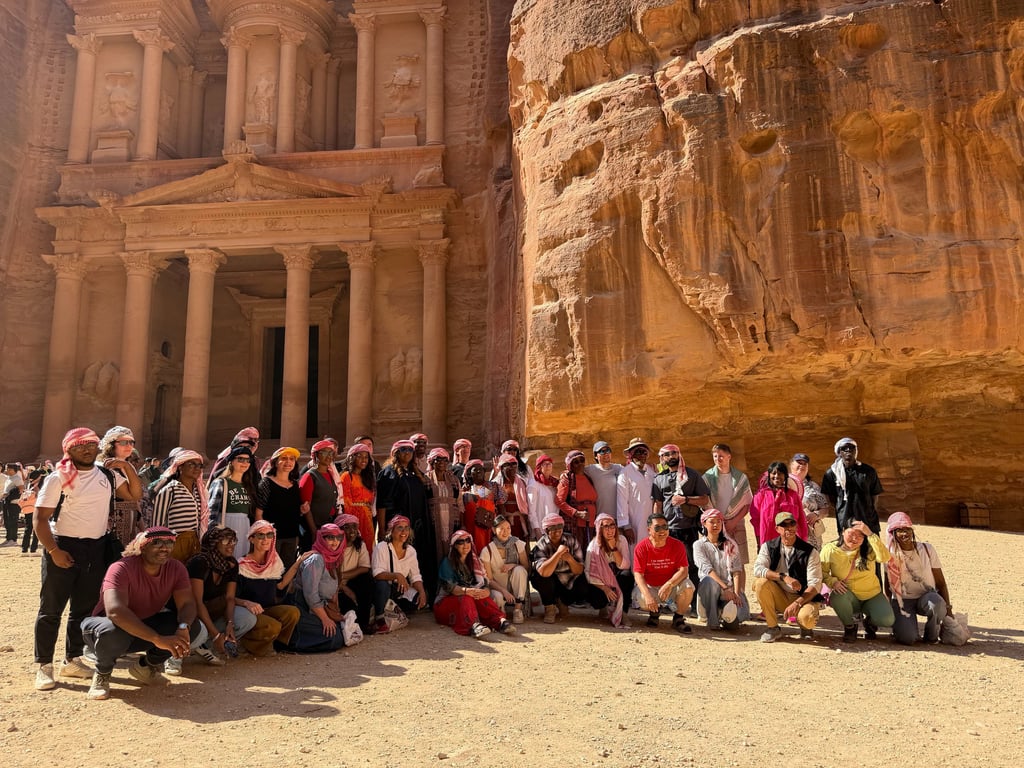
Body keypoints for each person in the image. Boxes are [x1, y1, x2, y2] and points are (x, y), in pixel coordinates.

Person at [32, 428, 140, 691]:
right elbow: (40, 519)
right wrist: (54, 551)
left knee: (82, 609)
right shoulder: (58, 478)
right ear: (68, 450)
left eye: (91, 445)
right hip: (64, 545)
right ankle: (44, 665)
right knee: (51, 610)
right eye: (80, 446)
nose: (87, 450)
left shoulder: (108, 475)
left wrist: (127, 467)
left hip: (96, 547)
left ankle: (72, 658)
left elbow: (135, 495)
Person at [79, 527, 200, 701]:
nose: (164, 548)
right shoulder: (121, 567)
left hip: (142, 625)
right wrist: (157, 639)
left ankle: (145, 667)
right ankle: (102, 674)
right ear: (142, 547)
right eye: (157, 543)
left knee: (192, 626)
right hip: (104, 626)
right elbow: (115, 611)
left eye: (169, 543)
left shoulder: (176, 568)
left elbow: (187, 603)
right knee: (111, 631)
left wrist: (183, 627)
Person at [177, 526, 257, 672]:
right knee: (192, 627)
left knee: (247, 618)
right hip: (191, 613)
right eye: (226, 540)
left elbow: (230, 598)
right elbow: (197, 601)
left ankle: (203, 645)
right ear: (214, 542)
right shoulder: (199, 562)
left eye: (233, 540)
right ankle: (175, 655)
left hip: (213, 611)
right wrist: (216, 635)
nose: (231, 544)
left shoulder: (231, 564)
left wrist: (230, 625)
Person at [652, 444, 710, 614]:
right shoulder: (659, 479)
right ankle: (668, 601)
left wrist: (685, 499)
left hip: (688, 528)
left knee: (691, 565)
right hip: (668, 530)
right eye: (667, 454)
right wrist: (656, 526)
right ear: (662, 458)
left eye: (674, 453)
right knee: (668, 566)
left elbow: (704, 499)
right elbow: (658, 504)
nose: (671, 456)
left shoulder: (691, 475)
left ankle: (694, 604)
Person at [234, 520, 304, 654]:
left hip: (267, 609)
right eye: (260, 535)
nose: (265, 539)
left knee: (292, 612)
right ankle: (249, 646)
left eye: (269, 535)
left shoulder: (274, 562)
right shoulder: (242, 565)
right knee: (273, 626)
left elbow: (281, 585)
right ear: (251, 539)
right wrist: (247, 603)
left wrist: (298, 563)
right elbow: (230, 597)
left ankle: (278, 646)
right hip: (249, 613)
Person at [377, 439, 436, 597]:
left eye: (410, 450)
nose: (407, 453)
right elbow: (382, 503)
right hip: (398, 528)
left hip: (417, 526)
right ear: (396, 453)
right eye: (403, 450)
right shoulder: (389, 473)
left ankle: (416, 594)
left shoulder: (415, 473)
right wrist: (382, 529)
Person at [752, 511, 822, 642]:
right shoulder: (768, 546)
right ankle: (773, 628)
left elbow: (815, 584)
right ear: (777, 529)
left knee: (808, 619)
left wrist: (797, 603)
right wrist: (784, 577)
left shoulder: (810, 551)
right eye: (784, 525)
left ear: (796, 526)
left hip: (803, 598)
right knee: (760, 583)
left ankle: (805, 627)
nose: (789, 528)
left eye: (792, 524)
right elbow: (757, 569)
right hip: (780, 594)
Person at [820, 520, 894, 642]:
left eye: (860, 535)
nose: (855, 538)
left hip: (871, 595)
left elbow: (884, 557)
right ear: (843, 531)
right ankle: (850, 626)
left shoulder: (869, 548)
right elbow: (821, 572)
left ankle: (869, 621)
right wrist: (833, 582)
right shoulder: (830, 550)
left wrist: (870, 534)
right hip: (848, 595)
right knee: (837, 597)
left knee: (887, 620)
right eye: (851, 534)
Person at [884, 512, 951, 645]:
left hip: (926, 597)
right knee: (907, 639)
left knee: (936, 604)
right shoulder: (889, 554)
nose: (905, 534)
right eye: (899, 531)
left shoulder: (927, 549)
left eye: (907, 529)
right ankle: (902, 628)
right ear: (893, 534)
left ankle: (931, 636)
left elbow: (941, 583)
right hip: (903, 601)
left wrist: (948, 611)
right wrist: (893, 610)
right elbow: (888, 585)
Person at [434, 530, 515, 638]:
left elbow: (484, 582)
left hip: (469, 599)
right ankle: (473, 626)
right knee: (466, 597)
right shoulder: (447, 562)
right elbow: (450, 587)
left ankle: (500, 622)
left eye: (467, 541)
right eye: (461, 542)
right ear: (454, 546)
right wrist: (467, 591)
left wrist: (485, 591)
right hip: (445, 604)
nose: (465, 545)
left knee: (481, 597)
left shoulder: (474, 561)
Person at [287, 523, 348, 652]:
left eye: (338, 538)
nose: (335, 542)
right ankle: (291, 643)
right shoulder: (316, 559)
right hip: (302, 607)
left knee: (342, 632)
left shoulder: (334, 559)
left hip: (319, 608)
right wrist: (325, 619)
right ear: (322, 539)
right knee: (334, 638)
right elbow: (310, 594)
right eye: (330, 537)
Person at [631, 511, 695, 633]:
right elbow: (638, 574)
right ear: (649, 529)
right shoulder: (641, 547)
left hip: (671, 588)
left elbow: (684, 570)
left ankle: (678, 618)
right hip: (652, 588)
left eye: (665, 527)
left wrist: (669, 584)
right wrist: (648, 596)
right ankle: (654, 614)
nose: (662, 530)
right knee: (643, 598)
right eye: (657, 527)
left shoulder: (677, 545)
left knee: (688, 586)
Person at [694, 509, 750, 631]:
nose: (715, 525)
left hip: (729, 589)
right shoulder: (699, 545)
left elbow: (736, 570)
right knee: (709, 581)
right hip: (711, 588)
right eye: (712, 522)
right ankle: (712, 620)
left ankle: (723, 613)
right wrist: (724, 588)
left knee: (736, 621)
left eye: (718, 522)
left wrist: (735, 593)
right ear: (704, 523)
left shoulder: (731, 544)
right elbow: (707, 569)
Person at [530, 512, 591, 624]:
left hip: (568, 579)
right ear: (547, 531)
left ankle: (562, 601)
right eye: (553, 528)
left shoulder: (571, 540)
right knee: (537, 576)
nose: (558, 531)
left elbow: (579, 570)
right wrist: (557, 554)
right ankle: (549, 607)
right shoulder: (540, 545)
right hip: (550, 579)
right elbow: (544, 573)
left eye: (560, 527)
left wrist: (570, 559)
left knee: (583, 586)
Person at [371, 515, 428, 633]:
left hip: (398, 589)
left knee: (419, 598)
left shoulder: (411, 551)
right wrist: (397, 575)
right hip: (384, 589)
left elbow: (415, 576)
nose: (404, 532)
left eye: (406, 528)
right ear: (391, 531)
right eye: (400, 528)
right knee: (382, 585)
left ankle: (396, 611)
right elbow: (377, 574)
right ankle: (380, 618)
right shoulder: (382, 547)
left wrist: (422, 592)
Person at [150, 450, 209, 562]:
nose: (197, 468)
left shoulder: (199, 491)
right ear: (180, 467)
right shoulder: (170, 490)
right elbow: (156, 523)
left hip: (195, 543)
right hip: (174, 544)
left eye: (199, 465)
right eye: (191, 464)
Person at [254, 447, 309, 568]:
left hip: (291, 536)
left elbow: (291, 510)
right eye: (284, 458)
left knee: (287, 570)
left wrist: (302, 510)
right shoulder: (266, 484)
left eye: (291, 459)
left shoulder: (295, 485)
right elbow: (258, 514)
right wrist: (265, 536)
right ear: (275, 463)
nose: (288, 462)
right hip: (271, 538)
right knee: (270, 569)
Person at [701, 444, 753, 566]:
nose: (718, 459)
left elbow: (747, 504)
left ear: (729, 456)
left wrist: (733, 522)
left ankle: (739, 586)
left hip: (737, 523)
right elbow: (704, 502)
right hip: (714, 523)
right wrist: (720, 522)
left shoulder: (741, 478)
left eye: (721, 456)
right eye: (715, 456)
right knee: (718, 562)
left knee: (739, 563)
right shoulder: (707, 478)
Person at [821, 437, 884, 534]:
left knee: (871, 545)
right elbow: (830, 498)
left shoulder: (868, 471)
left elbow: (874, 494)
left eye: (851, 447)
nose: (848, 450)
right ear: (839, 452)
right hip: (845, 518)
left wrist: (869, 509)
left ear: (856, 451)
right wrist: (842, 507)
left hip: (868, 519)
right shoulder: (831, 473)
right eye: (844, 448)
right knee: (848, 545)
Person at [97, 426, 145, 546]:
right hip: (109, 528)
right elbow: (133, 495)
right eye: (123, 442)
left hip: (129, 525)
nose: (129, 446)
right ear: (111, 444)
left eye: (131, 442)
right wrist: (127, 467)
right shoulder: (104, 467)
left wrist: (142, 526)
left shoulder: (126, 466)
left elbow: (136, 501)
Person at [208, 445, 257, 559]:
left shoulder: (248, 485)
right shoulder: (221, 482)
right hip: (227, 525)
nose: (244, 462)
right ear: (231, 462)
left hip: (245, 526)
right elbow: (211, 512)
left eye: (247, 460)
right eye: (240, 459)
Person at [585, 513, 633, 628]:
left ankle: (623, 613)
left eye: (612, 526)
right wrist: (605, 588)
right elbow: (588, 573)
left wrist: (613, 548)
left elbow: (624, 565)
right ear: (599, 529)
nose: (610, 530)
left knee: (627, 576)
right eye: (606, 526)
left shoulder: (621, 540)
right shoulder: (593, 547)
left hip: (617, 578)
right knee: (594, 595)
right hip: (601, 583)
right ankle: (603, 607)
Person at [480, 514, 530, 623]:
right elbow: (489, 579)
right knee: (497, 597)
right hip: (498, 587)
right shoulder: (487, 550)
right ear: (494, 530)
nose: (505, 532)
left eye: (508, 528)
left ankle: (517, 609)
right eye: (501, 528)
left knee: (520, 570)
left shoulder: (517, 544)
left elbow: (526, 567)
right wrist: (504, 591)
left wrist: (513, 565)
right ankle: (501, 612)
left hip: (515, 586)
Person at [749, 462, 808, 550]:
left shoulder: (793, 496)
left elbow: (801, 520)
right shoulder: (761, 494)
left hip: (790, 541)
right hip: (767, 540)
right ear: (769, 476)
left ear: (785, 476)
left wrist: (803, 542)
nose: (776, 476)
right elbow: (755, 519)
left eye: (780, 473)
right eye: (773, 473)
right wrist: (759, 542)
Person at [336, 513, 375, 635]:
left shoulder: (359, 544)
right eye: (347, 527)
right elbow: (327, 576)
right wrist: (343, 587)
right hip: (334, 586)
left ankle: (364, 624)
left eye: (354, 526)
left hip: (348, 581)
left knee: (367, 579)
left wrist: (343, 576)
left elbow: (364, 567)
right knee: (350, 608)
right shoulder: (333, 546)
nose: (352, 531)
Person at [616, 437, 656, 549]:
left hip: (651, 520)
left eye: (644, 452)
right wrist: (626, 525)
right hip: (634, 522)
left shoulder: (652, 472)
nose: (642, 455)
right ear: (631, 455)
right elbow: (622, 500)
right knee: (636, 549)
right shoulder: (625, 473)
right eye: (638, 452)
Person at [299, 440, 341, 549]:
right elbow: (306, 507)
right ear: (316, 455)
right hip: (315, 528)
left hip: (329, 526)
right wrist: (314, 531)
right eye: (324, 453)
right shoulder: (310, 476)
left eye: (331, 453)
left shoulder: (332, 475)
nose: (329, 456)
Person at [425, 447, 461, 565]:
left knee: (451, 546)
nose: (441, 462)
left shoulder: (454, 479)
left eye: (445, 460)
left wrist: (463, 523)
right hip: (433, 520)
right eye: (438, 459)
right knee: (434, 548)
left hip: (452, 518)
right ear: (432, 462)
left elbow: (459, 502)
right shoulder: (426, 479)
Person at [556, 450, 598, 547]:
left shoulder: (588, 477)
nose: (580, 464)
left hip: (591, 524)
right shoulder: (567, 479)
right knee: (579, 555)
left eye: (582, 460)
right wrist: (577, 513)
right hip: (577, 525)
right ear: (570, 465)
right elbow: (559, 501)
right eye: (576, 462)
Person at [789, 452, 830, 550]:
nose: (801, 465)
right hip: (788, 531)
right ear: (791, 465)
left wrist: (816, 514)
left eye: (804, 464)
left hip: (810, 536)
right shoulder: (783, 484)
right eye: (799, 462)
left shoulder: (813, 487)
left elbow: (825, 509)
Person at [340, 443, 376, 549]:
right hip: (353, 520)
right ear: (352, 458)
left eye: (366, 457)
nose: (363, 460)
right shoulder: (346, 476)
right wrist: (352, 523)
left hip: (367, 519)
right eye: (359, 456)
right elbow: (346, 502)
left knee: (368, 547)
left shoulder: (368, 478)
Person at [584, 441, 623, 524]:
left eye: (608, 450)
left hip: (618, 517)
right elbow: (576, 471)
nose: (606, 454)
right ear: (595, 456)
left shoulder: (619, 468)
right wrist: (565, 473)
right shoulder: (591, 469)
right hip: (600, 518)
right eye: (602, 451)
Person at [494, 453, 529, 540]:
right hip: (503, 522)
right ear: (501, 468)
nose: (512, 467)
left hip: (520, 522)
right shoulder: (496, 484)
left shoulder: (522, 482)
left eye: (514, 464)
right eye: (508, 465)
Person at [527, 453, 560, 542]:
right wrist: (537, 530)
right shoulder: (534, 484)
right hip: (541, 530)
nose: (548, 466)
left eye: (550, 464)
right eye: (545, 464)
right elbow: (531, 510)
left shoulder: (554, 484)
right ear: (539, 467)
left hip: (555, 529)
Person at [17, 468, 46, 554]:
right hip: (37, 508)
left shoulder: (29, 484)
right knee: (36, 529)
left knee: (28, 528)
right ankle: (33, 549)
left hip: (28, 509)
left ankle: (24, 548)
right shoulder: (40, 484)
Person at [2, 463, 25, 546]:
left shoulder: (17, 478)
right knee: (7, 521)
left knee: (13, 521)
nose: (6, 470)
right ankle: (8, 538)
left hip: (13, 503)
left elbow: (21, 489)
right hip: (7, 501)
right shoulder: (9, 478)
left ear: (13, 470)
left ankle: (13, 539)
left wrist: (10, 495)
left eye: (8, 469)